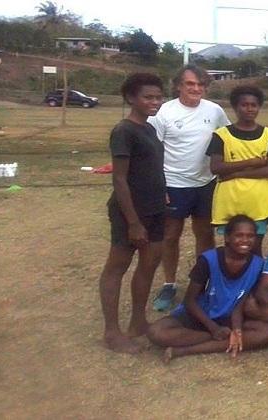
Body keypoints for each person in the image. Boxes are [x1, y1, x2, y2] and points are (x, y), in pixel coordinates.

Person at [149, 64, 231, 312]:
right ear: (178, 86)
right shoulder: (163, 112)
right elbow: (153, 152)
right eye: (190, 84)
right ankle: (169, 283)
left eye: (200, 85)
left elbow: (227, 139)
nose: (196, 89)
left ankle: (202, 282)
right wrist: (158, 186)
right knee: (170, 236)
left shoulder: (214, 111)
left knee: (204, 235)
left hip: (205, 183)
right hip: (173, 184)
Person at [98, 73, 166, 353]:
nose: (154, 102)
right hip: (131, 214)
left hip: (156, 209)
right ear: (131, 98)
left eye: (158, 97)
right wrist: (133, 222)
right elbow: (120, 179)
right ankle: (112, 332)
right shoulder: (123, 131)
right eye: (148, 97)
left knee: (149, 264)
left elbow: (150, 169)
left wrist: (161, 192)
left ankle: (138, 321)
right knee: (117, 268)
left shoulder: (149, 129)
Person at [147, 215, 268, 362]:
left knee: (266, 333)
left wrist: (237, 329)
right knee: (156, 332)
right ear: (227, 237)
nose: (245, 240)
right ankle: (218, 338)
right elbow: (190, 301)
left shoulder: (257, 265)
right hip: (201, 315)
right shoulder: (208, 260)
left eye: (250, 236)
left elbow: (240, 303)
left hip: (229, 318)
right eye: (239, 235)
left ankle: (185, 350)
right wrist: (213, 329)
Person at [207, 85, 268, 255]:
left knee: (255, 247)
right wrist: (251, 162)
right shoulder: (221, 135)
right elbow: (216, 167)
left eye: (253, 105)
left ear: (259, 107)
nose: (249, 109)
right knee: (232, 248)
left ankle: (255, 281)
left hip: (258, 202)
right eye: (244, 105)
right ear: (235, 107)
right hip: (230, 201)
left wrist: (235, 173)